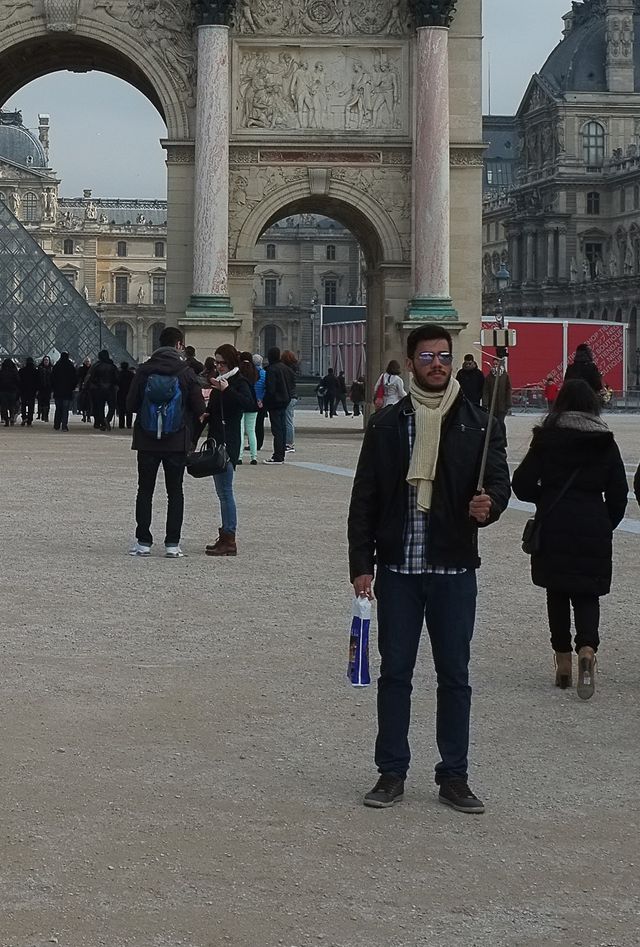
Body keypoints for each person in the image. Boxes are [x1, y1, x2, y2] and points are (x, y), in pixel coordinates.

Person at [348, 324, 510, 814]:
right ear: (411, 361)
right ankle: (391, 771)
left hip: (454, 568)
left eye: (443, 355)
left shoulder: (481, 424)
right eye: (426, 356)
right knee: (395, 674)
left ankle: (454, 775)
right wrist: (362, 565)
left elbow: (499, 483)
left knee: (454, 676)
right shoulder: (386, 423)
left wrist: (491, 505)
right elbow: (365, 500)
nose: (436, 363)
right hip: (398, 569)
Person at [512, 380, 627, 699]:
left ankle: (563, 660)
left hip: (555, 520)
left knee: (557, 591)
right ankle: (587, 649)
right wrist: (606, 521)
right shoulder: (605, 441)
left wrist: (545, 498)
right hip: (592, 520)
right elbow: (619, 491)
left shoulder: (547, 438)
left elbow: (520, 483)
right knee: (588, 592)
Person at [126, 326, 207, 558]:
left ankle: (143, 542)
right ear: (179, 345)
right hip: (176, 441)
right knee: (175, 493)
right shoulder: (186, 371)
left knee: (145, 491)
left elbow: (130, 405)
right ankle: (172, 544)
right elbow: (200, 409)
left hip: (147, 441)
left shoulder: (143, 370)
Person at [204, 344, 255, 556]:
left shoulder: (238, 381)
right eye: (216, 362)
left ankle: (229, 538)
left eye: (221, 363)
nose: (218, 366)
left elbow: (249, 404)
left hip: (229, 443)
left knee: (226, 492)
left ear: (231, 363)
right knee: (222, 492)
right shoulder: (220, 382)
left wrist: (226, 390)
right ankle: (225, 535)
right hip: (217, 441)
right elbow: (214, 410)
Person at [263, 346, 293, 464]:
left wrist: (265, 402)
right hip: (285, 400)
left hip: (275, 402)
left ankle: (277, 456)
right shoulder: (286, 368)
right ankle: (282, 453)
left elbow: (270, 389)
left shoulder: (271, 370)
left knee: (277, 430)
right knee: (283, 428)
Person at [87, 349, 118, 431]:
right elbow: (117, 378)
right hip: (110, 389)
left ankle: (103, 423)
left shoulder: (96, 366)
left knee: (100, 407)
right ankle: (107, 419)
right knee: (112, 407)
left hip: (99, 389)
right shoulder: (113, 366)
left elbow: (92, 378)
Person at [237, 351, 259, 465]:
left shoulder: (239, 369)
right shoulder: (254, 370)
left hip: (241, 400)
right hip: (252, 401)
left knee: (240, 431)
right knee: (251, 431)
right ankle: (253, 456)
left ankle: (239, 457)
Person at [51, 352, 77, 431]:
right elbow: (74, 379)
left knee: (58, 408)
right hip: (67, 391)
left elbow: (52, 378)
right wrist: (72, 387)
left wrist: (53, 388)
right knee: (65, 409)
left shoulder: (57, 366)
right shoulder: (70, 366)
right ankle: (64, 425)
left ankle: (56, 424)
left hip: (58, 391)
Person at [281, 350, 299, 451]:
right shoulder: (294, 369)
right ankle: (289, 442)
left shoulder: (286, 370)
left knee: (288, 421)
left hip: (289, 397)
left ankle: (289, 443)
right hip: (293, 396)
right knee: (289, 420)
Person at [253, 354, 267, 451]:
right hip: (262, 402)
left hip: (253, 401)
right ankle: (259, 443)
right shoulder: (264, 373)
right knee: (260, 424)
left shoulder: (251, 373)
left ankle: (253, 443)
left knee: (251, 425)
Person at [18, 357, 38, 426]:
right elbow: (37, 382)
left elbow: (19, 381)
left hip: (23, 390)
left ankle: (24, 417)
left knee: (23, 405)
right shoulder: (35, 371)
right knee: (31, 406)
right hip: (32, 391)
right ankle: (29, 420)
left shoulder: (21, 371)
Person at [0, 358, 20, 427]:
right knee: (12, 406)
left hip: (3, 391)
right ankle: (12, 417)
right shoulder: (14, 372)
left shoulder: (1, 372)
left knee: (4, 407)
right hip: (12, 391)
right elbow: (18, 381)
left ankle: (6, 420)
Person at [117, 361, 135, 429]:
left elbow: (116, 383)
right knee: (129, 409)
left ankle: (121, 425)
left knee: (121, 409)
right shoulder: (131, 374)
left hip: (120, 393)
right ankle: (129, 424)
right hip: (129, 393)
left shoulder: (119, 374)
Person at [36, 356, 53, 422]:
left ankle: (46, 415)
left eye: (47, 360)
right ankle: (43, 414)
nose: (46, 361)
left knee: (47, 402)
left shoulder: (51, 369)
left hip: (48, 388)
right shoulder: (40, 369)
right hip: (41, 388)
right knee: (42, 402)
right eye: (45, 360)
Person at [76, 357, 92, 423]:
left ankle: (87, 416)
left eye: (88, 361)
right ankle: (84, 416)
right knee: (83, 402)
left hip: (89, 388)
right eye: (86, 361)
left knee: (88, 402)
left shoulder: (84, 369)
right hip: (84, 388)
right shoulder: (90, 369)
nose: (87, 363)